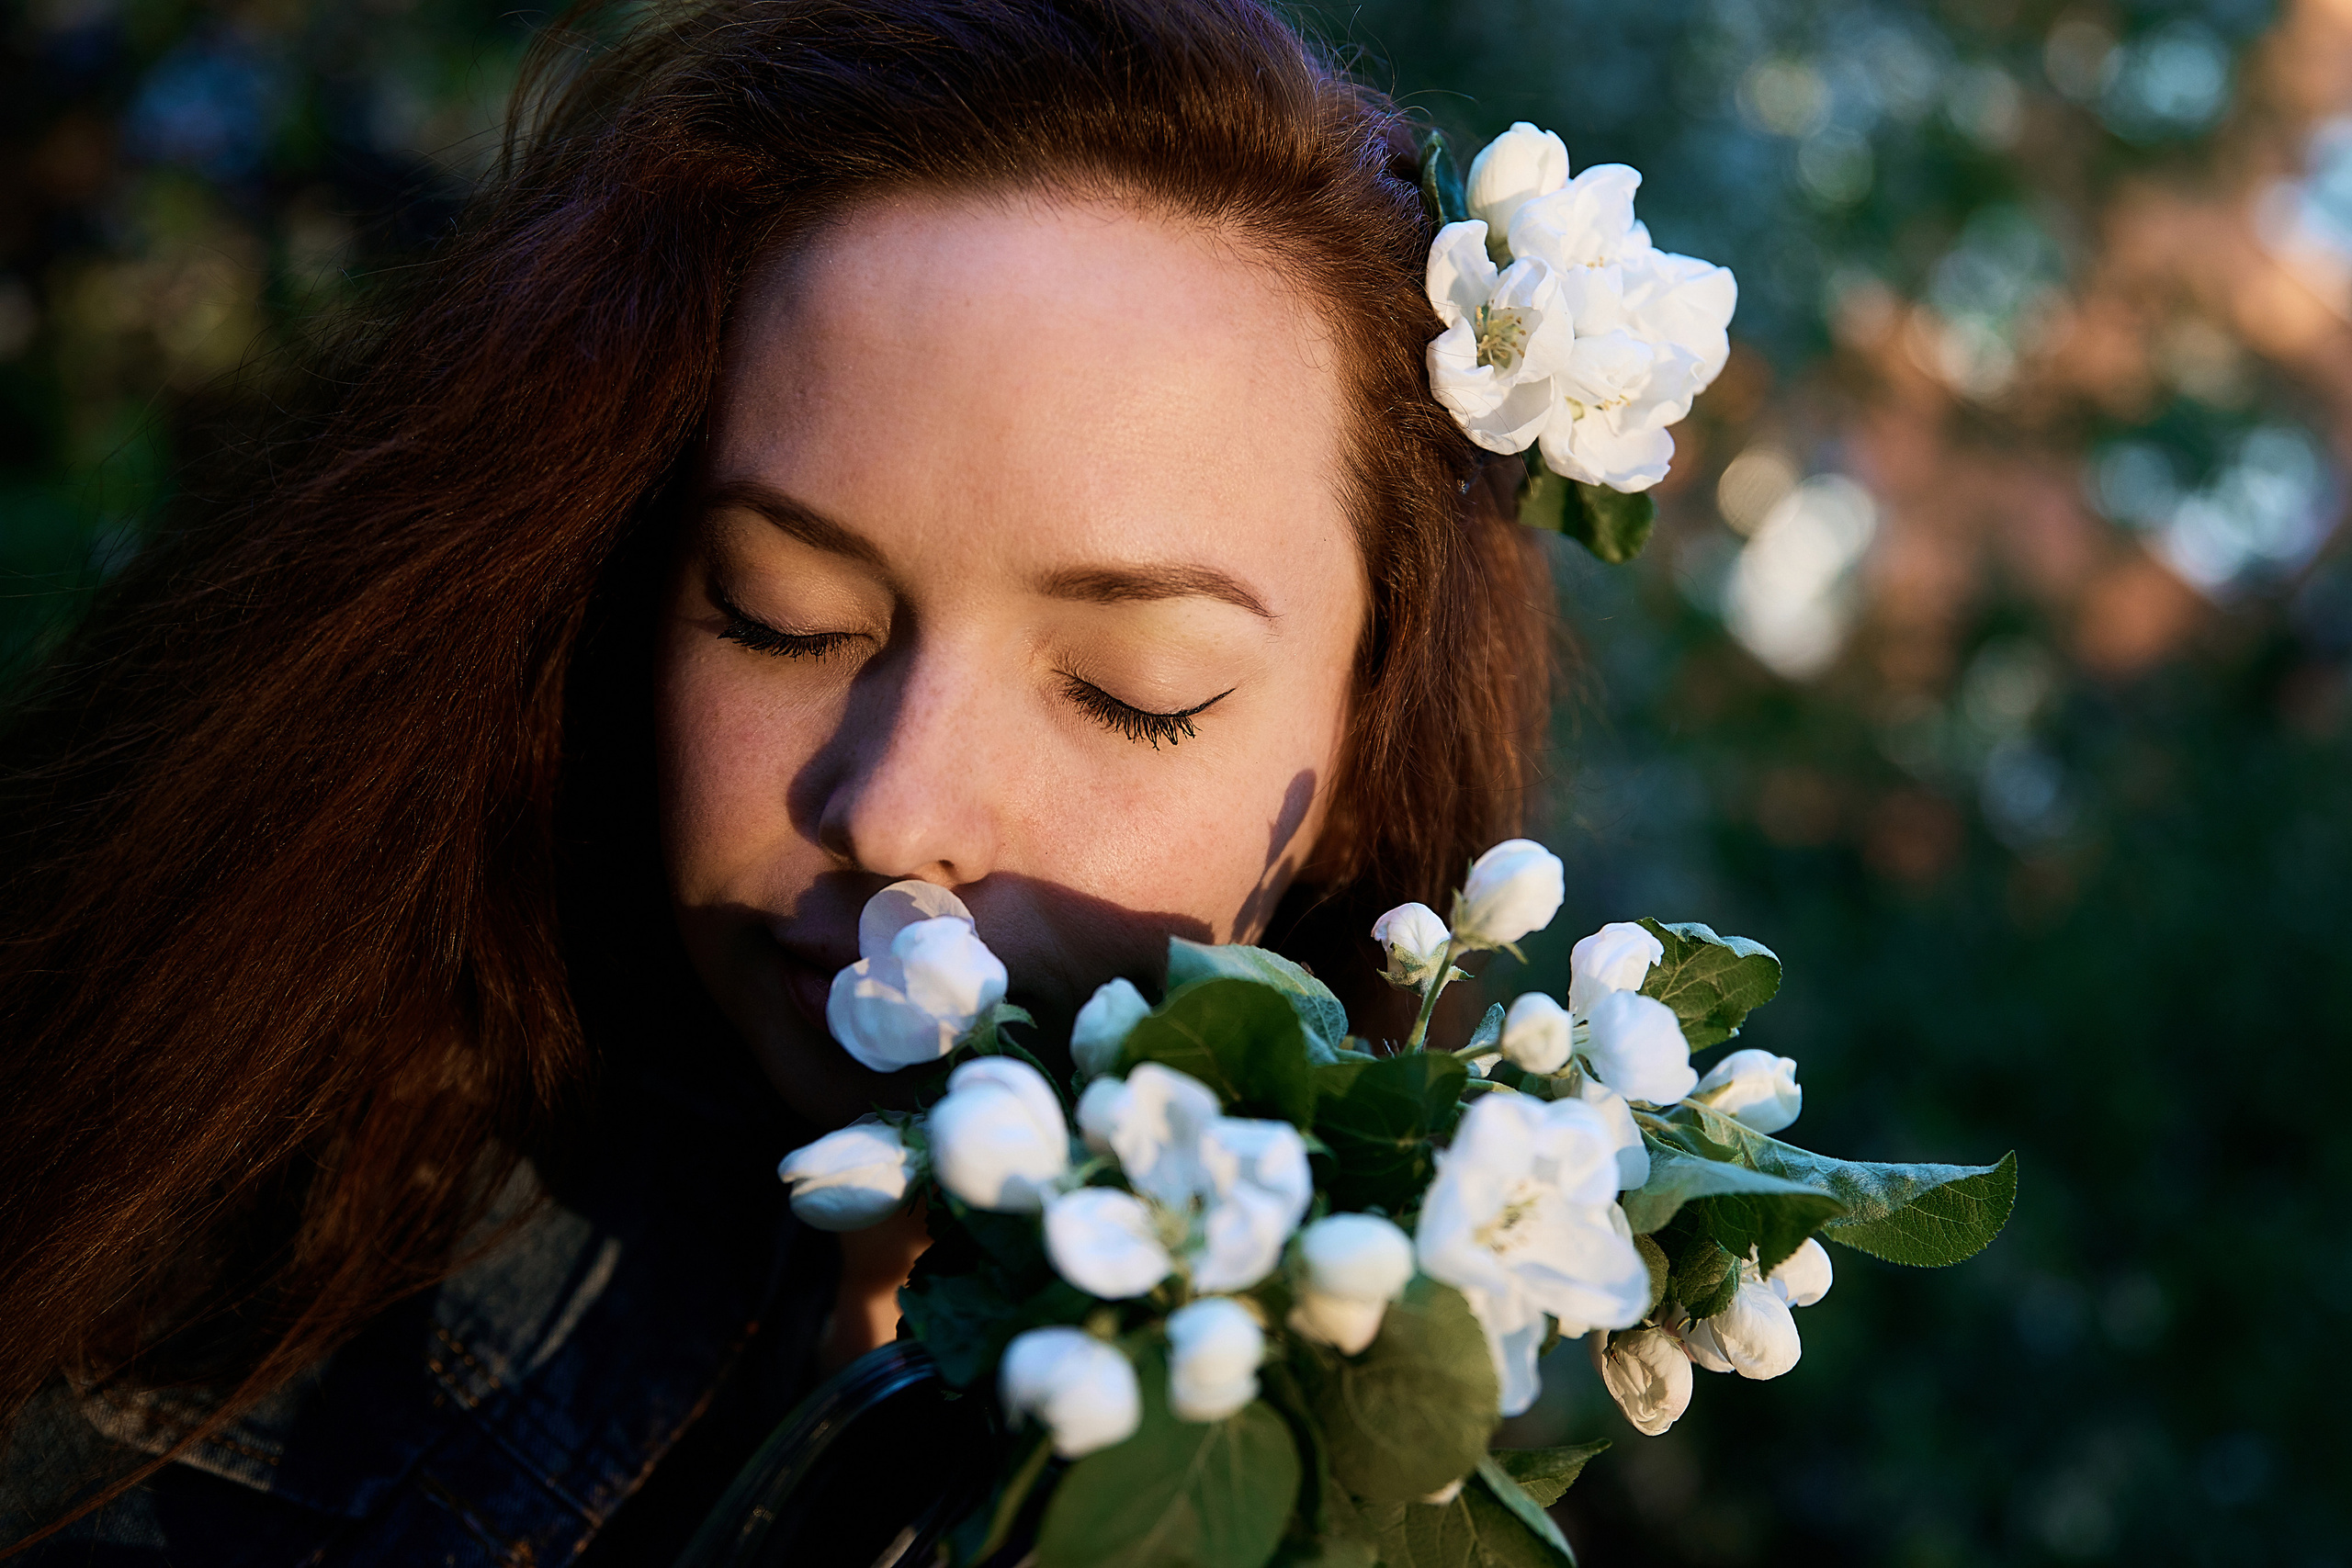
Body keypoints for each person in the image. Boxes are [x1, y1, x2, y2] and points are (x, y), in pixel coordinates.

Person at [0, 0, 1555, 1559]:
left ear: (1366, 749)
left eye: (1125, 691)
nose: (893, 811)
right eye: (780, 615)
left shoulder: (1385, 1415)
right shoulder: (175, 1257)